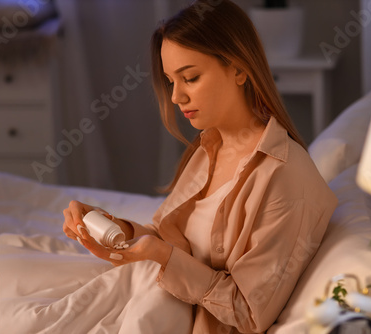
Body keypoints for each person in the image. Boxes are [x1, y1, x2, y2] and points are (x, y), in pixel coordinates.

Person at [63, 0, 338, 333]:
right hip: (144, 291)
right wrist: (109, 225)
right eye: (170, 81)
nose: (176, 96)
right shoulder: (209, 145)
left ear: (239, 69)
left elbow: (248, 313)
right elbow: (169, 239)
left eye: (189, 78)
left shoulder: (285, 179)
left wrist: (163, 257)